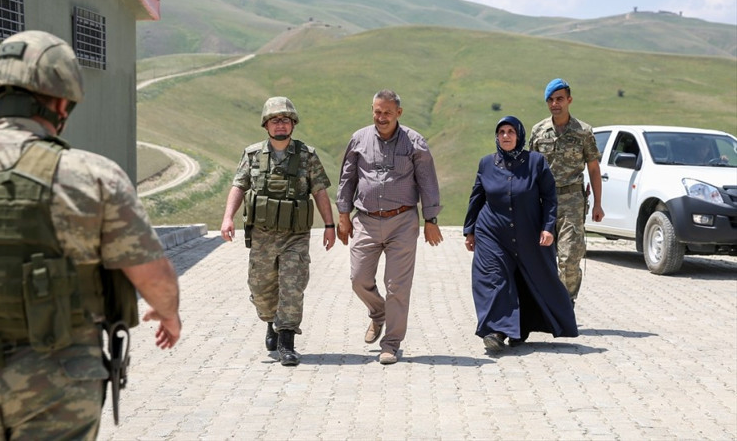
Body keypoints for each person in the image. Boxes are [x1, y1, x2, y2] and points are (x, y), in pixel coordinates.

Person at [0, 30, 182, 439]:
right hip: (61, 371)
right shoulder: (92, 176)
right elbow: (151, 273)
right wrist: (168, 314)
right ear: (62, 103)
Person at [220, 96, 335, 366]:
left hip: (295, 236)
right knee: (260, 288)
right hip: (262, 235)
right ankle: (270, 321)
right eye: (275, 120)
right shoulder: (252, 155)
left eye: (285, 119)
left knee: (292, 286)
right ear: (266, 125)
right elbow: (238, 186)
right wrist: (228, 218)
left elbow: (319, 191)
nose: (280, 124)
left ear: (292, 123)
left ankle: (287, 341)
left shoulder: (307, 155)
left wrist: (329, 226)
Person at [336, 89, 443, 365]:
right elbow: (347, 178)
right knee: (358, 279)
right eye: (377, 111)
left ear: (398, 113)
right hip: (366, 221)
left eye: (387, 112)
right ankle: (378, 312)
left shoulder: (414, 142)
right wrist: (343, 215)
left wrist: (430, 220)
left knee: (397, 286)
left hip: (402, 221)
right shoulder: (359, 139)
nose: (381, 117)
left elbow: (427, 182)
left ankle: (391, 344)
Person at [464, 116, 578, 352]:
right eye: (501, 132)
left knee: (533, 277)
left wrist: (548, 228)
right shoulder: (486, 163)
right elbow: (477, 198)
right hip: (491, 232)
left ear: (519, 136)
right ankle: (495, 331)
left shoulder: (536, 162)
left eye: (510, 132)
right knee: (494, 277)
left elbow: (549, 198)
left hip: (529, 232)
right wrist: (470, 230)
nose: (506, 136)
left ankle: (521, 326)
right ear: (496, 137)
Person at [528, 78, 604, 305]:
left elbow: (593, 168)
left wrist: (598, 203)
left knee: (570, 257)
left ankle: (566, 303)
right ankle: (545, 305)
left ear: (569, 100)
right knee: (542, 258)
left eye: (559, 99)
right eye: (550, 100)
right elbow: (529, 168)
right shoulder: (538, 131)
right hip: (542, 202)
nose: (555, 104)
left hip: (572, 201)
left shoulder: (583, 132)